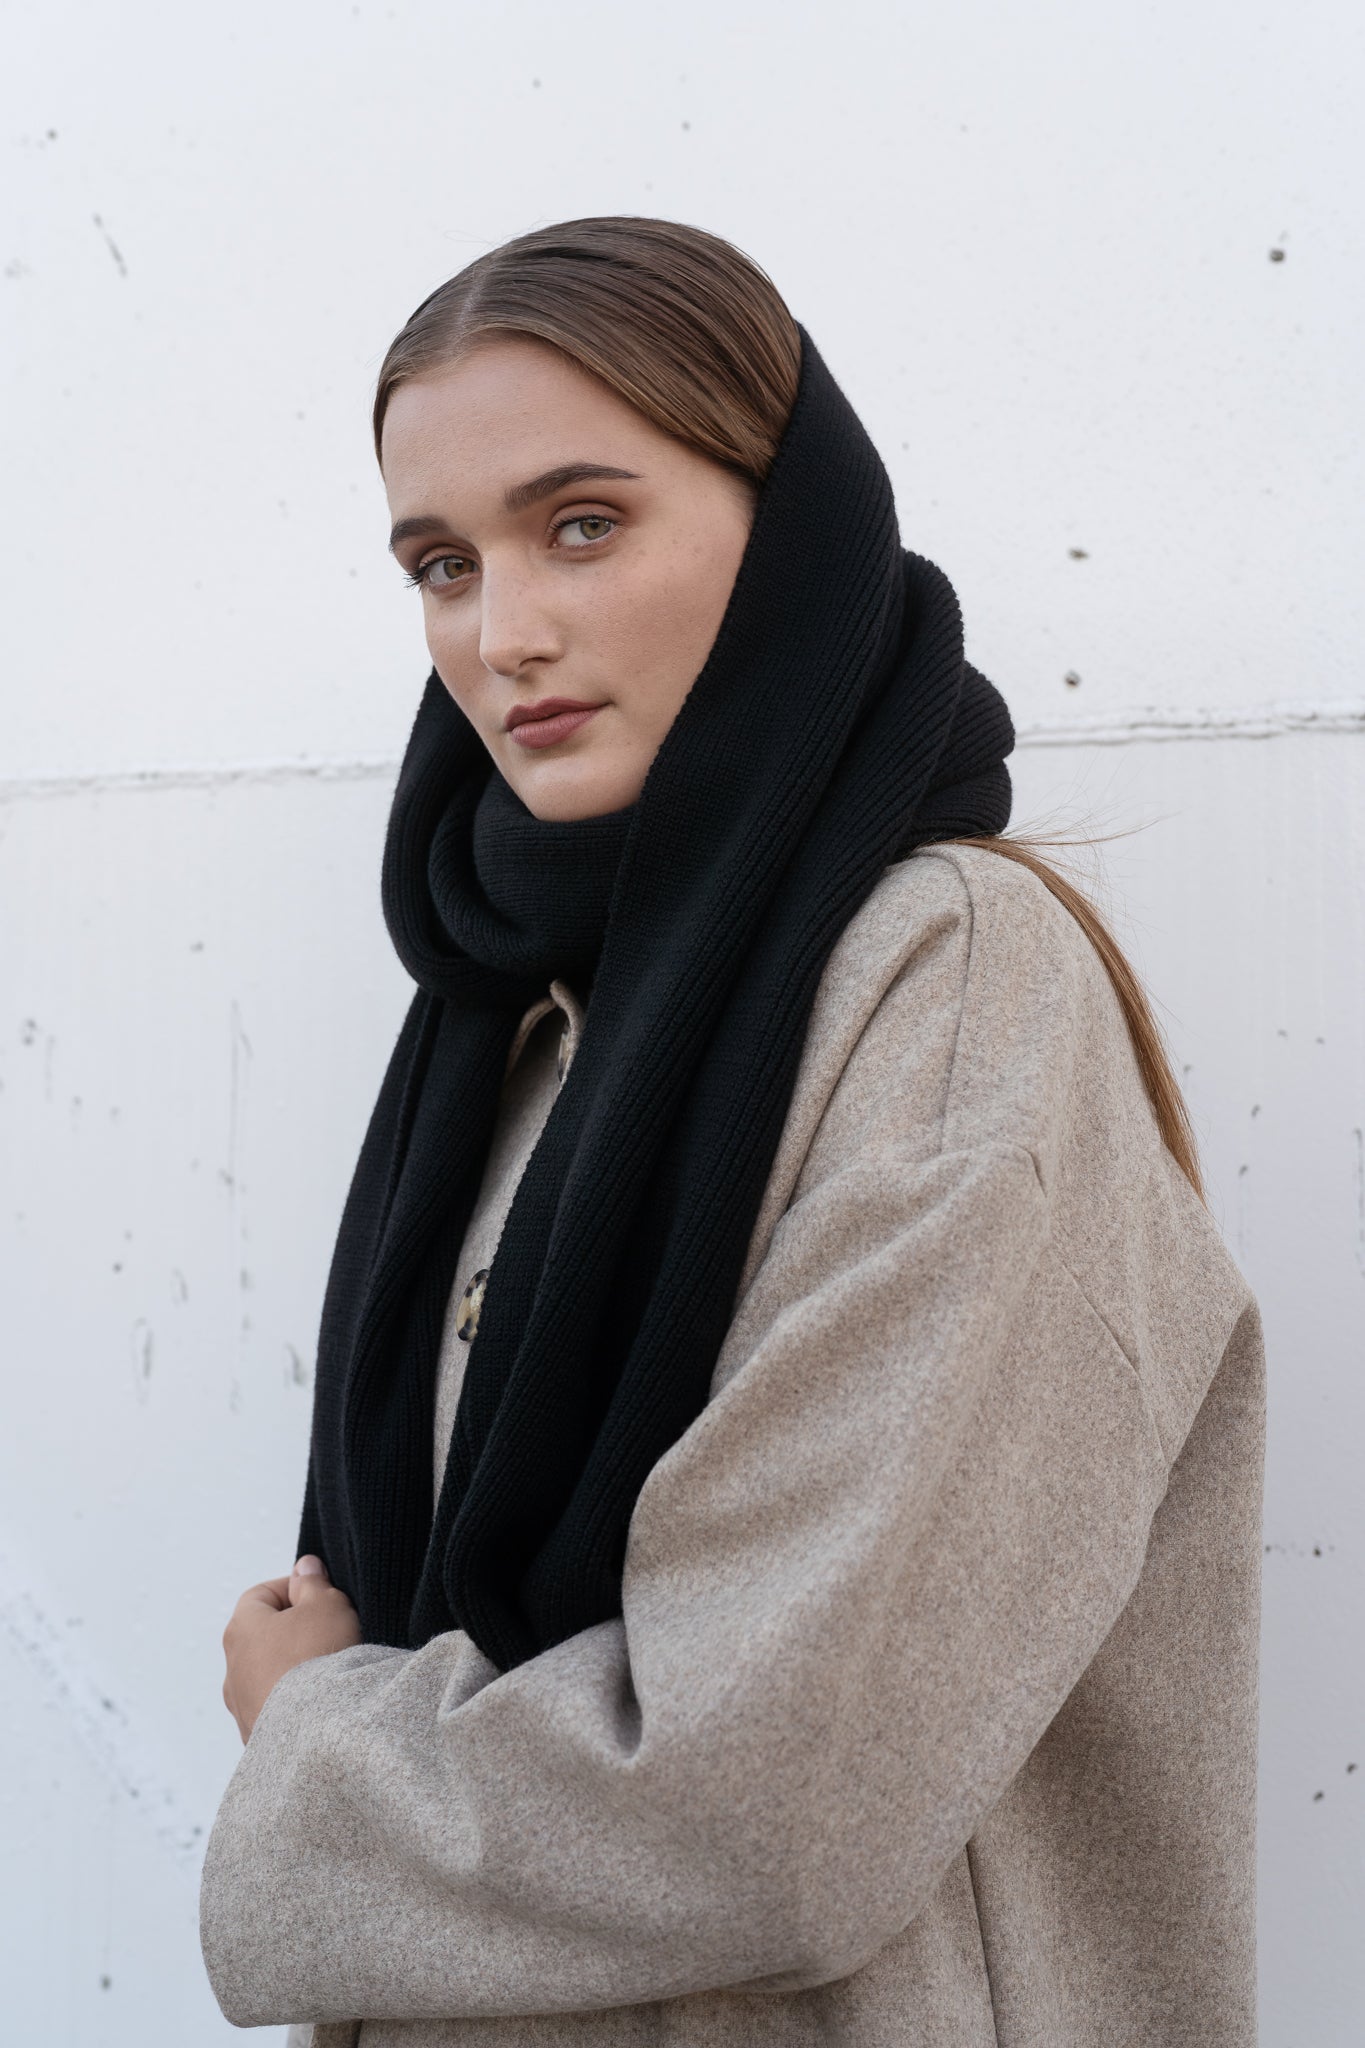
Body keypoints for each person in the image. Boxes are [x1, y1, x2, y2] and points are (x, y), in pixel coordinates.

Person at [201, 218, 1265, 2047]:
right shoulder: (521, 1019)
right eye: (441, 564)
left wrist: (314, 1733)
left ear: (790, 535)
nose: (500, 633)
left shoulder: (943, 982)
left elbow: (778, 1790)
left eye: (581, 525)